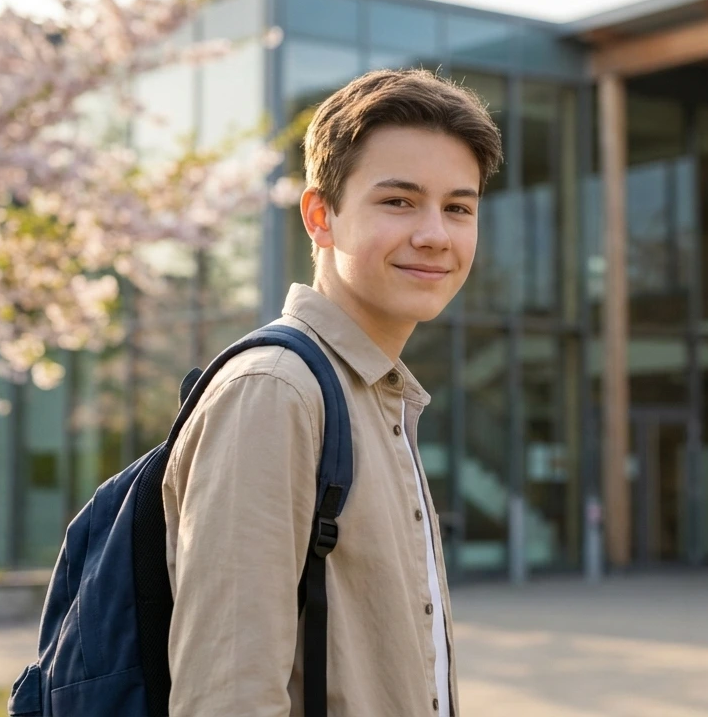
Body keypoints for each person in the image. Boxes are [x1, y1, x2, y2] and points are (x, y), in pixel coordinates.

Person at [162, 69, 503, 717]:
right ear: (321, 216)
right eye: (398, 201)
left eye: (458, 207)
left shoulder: (380, 398)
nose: (435, 234)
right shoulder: (277, 394)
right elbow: (227, 697)